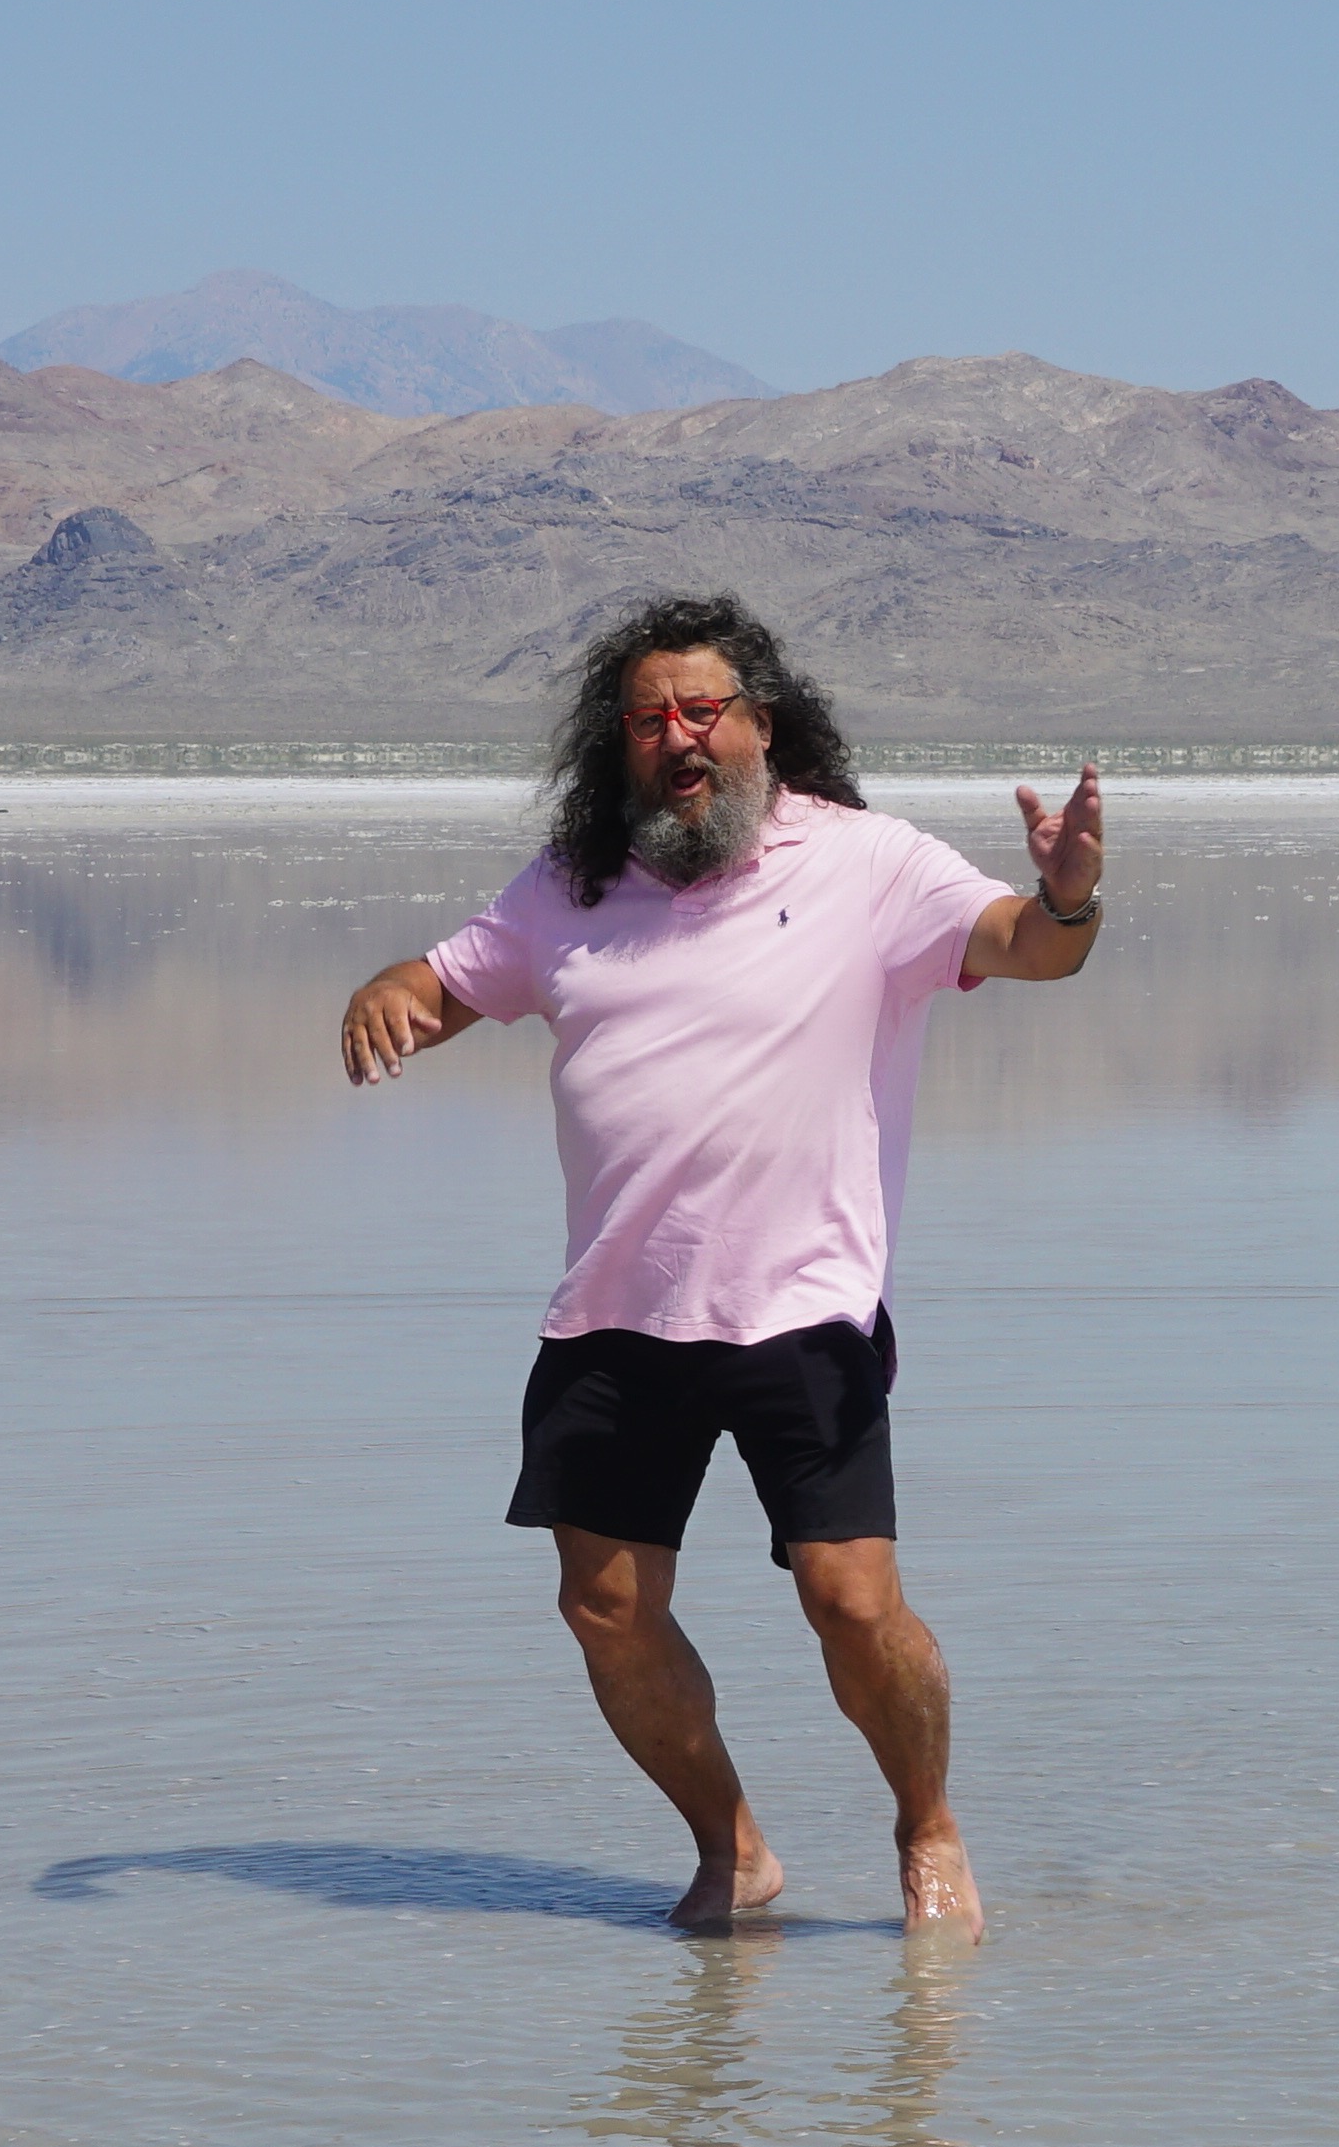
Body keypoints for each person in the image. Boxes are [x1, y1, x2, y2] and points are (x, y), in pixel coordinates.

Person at [337, 593, 1107, 1933]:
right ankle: (733, 1847)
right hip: (616, 1318)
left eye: (704, 711)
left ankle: (927, 1828)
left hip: (801, 1304)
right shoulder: (570, 887)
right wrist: (386, 990)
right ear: (615, 741)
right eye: (648, 718)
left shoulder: (867, 864)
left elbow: (1026, 949)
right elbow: (452, 980)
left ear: (766, 723)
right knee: (606, 1608)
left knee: (851, 1601)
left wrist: (1070, 895)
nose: (678, 737)